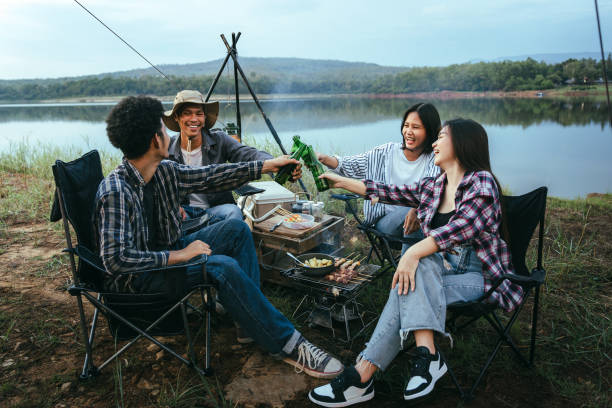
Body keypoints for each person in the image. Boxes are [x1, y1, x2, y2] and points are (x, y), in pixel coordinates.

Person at [95, 95, 343, 379]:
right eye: (163, 130)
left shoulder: (162, 171)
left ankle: (250, 320)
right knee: (220, 265)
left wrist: (267, 166)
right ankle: (288, 344)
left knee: (237, 229)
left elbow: (211, 175)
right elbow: (115, 260)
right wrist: (181, 255)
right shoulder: (116, 190)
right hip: (143, 277)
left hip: (169, 250)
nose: (167, 134)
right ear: (155, 140)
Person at [308, 118, 524, 406]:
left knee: (410, 273)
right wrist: (340, 180)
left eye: (441, 137)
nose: (433, 143)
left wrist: (410, 254)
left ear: (462, 143)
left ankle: (362, 376)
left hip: (480, 277)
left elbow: (462, 227)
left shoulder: (481, 182)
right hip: (440, 268)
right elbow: (387, 191)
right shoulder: (436, 184)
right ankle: (427, 357)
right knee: (415, 270)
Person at [317, 103, 441, 253]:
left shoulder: (434, 159)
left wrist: (417, 210)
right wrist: (325, 159)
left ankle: (412, 265)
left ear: (430, 131)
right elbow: (352, 165)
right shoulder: (386, 152)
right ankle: (410, 269)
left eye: (416, 127)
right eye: (406, 125)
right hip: (384, 221)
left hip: (420, 222)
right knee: (412, 211)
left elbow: (433, 193)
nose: (408, 131)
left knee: (418, 212)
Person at [164, 89, 300, 223]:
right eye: (187, 114)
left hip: (216, 209)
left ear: (204, 118)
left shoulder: (219, 140)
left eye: (199, 114)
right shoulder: (166, 149)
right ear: (176, 117)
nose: (194, 119)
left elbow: (249, 154)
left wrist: (276, 163)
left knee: (233, 212)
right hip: (184, 212)